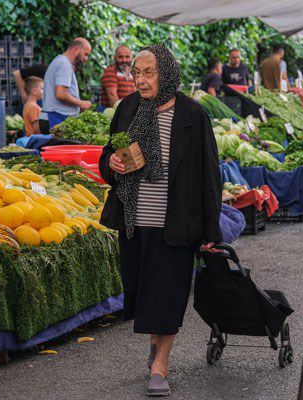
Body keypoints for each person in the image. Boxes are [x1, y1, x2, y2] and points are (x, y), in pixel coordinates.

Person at [98, 44, 222, 397]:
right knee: (145, 292)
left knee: (167, 295)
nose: (140, 79)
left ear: (165, 72)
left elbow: (209, 175)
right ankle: (156, 344)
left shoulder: (192, 115)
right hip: (135, 221)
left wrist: (211, 229)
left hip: (176, 222)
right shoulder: (128, 108)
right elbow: (108, 156)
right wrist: (113, 165)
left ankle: (160, 365)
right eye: (136, 73)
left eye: (148, 72)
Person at [40, 38, 93, 132]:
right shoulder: (64, 64)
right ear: (77, 49)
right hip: (56, 118)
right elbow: (60, 94)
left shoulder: (60, 61)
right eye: (85, 54)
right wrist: (81, 103)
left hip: (55, 117)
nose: (86, 59)